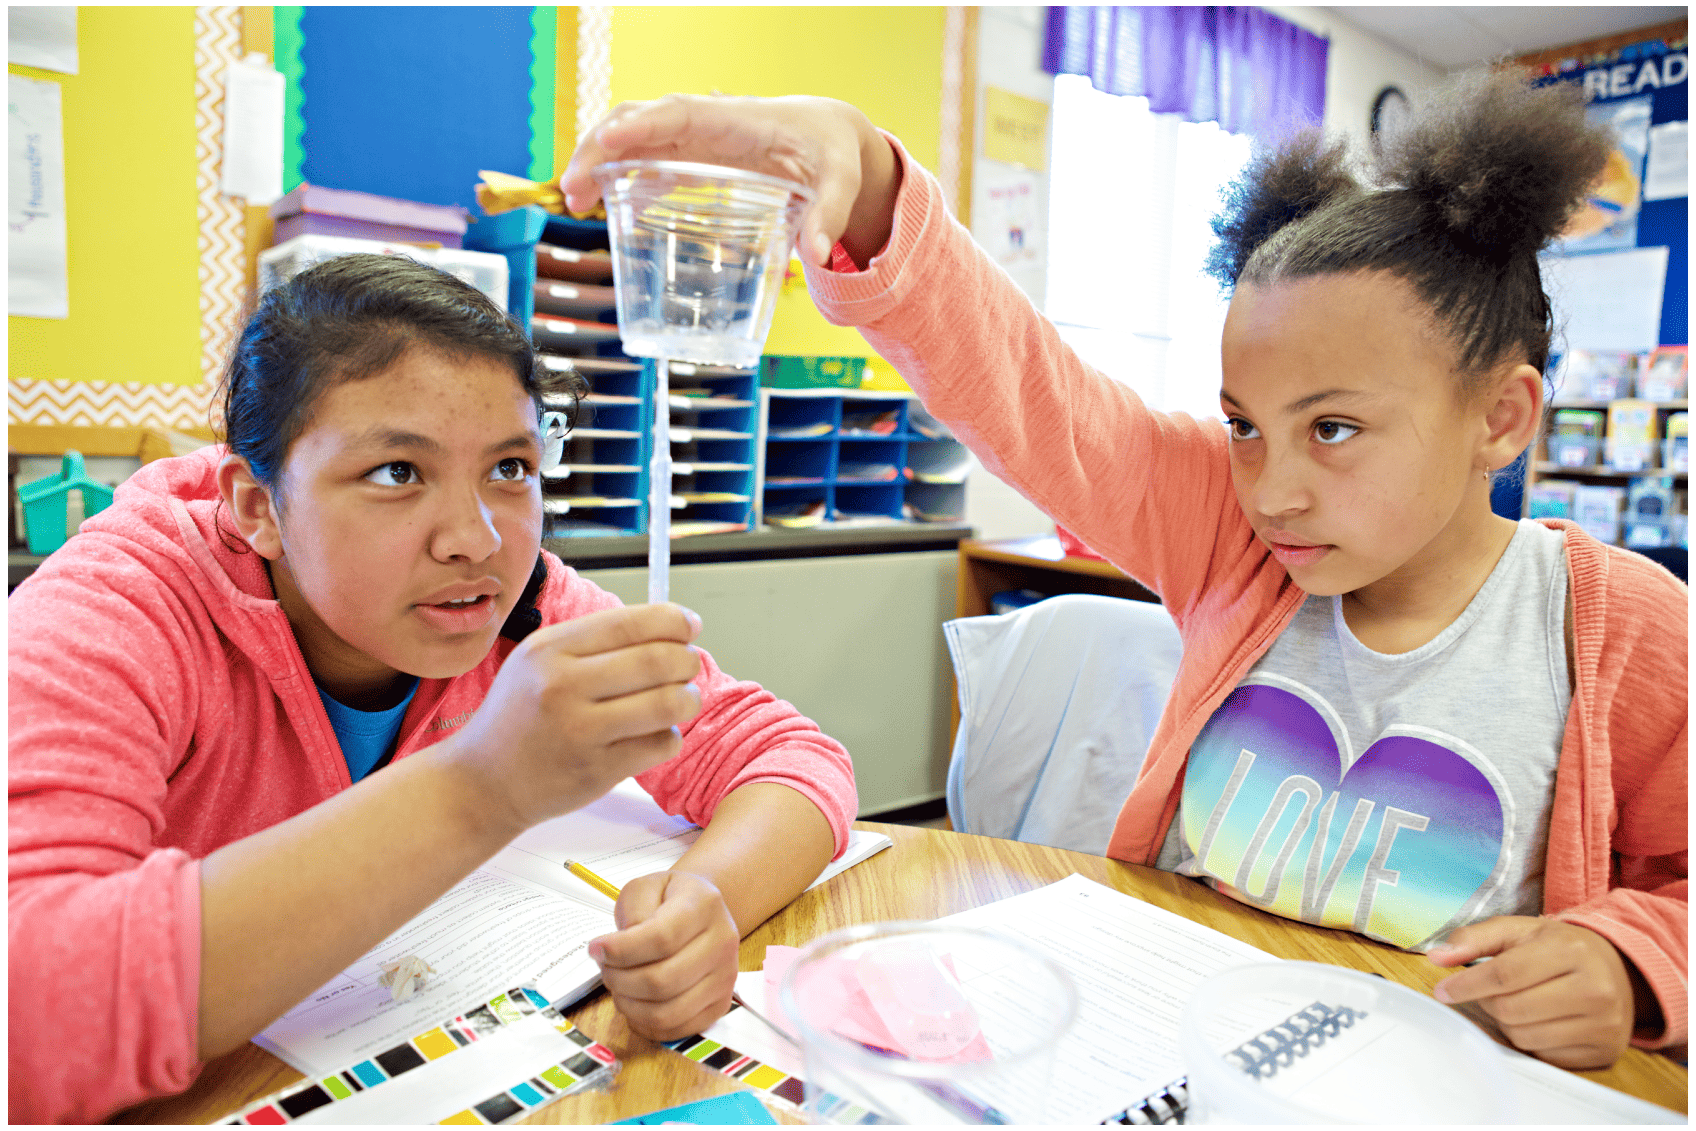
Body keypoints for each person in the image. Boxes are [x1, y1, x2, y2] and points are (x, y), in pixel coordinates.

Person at [561, 70, 1687, 1071]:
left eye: (1333, 429)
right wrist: (863, 186)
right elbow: (1033, 393)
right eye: (1244, 425)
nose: (1274, 487)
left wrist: (1627, 960)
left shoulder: (1621, 625)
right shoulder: (1233, 532)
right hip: (1168, 1047)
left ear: (1501, 416)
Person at [7, 253, 856, 1123]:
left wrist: (705, 901)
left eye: (510, 469)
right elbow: (27, 1016)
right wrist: (482, 786)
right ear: (258, 505)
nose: (476, 538)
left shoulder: (525, 601)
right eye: (398, 473)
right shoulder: (120, 607)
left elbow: (787, 752)